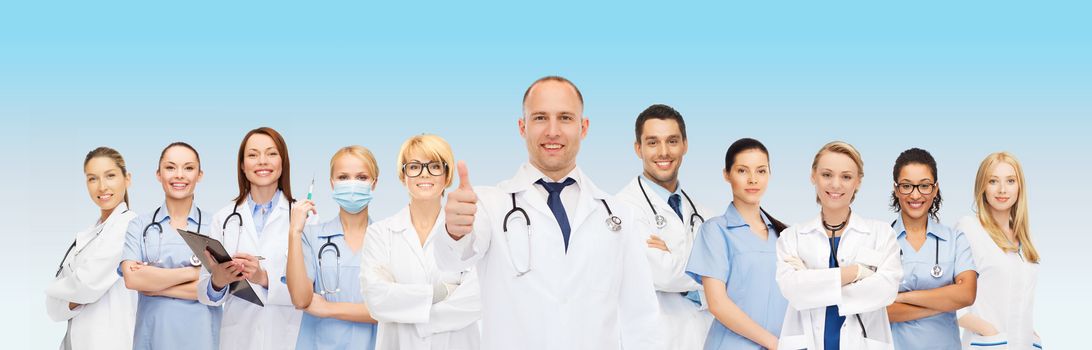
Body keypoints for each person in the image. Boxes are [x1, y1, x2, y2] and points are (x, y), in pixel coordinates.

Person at [436, 76, 661, 349]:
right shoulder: (488, 205)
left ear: (583, 127)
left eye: (565, 118)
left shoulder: (619, 215)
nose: (552, 131)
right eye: (540, 118)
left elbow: (641, 316)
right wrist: (454, 230)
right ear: (523, 127)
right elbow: (452, 260)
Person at [775, 141, 902, 350]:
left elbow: (885, 290)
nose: (835, 184)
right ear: (813, 176)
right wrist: (857, 272)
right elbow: (793, 290)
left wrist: (810, 282)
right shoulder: (791, 237)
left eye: (846, 176)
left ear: (858, 182)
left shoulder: (881, 234)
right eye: (827, 175)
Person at [361, 135, 481, 349]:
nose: (424, 173)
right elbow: (376, 299)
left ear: (447, 175)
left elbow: (477, 299)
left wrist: (409, 308)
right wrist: (442, 292)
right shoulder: (380, 233)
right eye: (415, 166)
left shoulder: (472, 232)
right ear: (403, 175)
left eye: (434, 166)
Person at [614, 104, 713, 350]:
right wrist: (712, 274)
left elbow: (731, 281)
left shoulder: (705, 215)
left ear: (685, 145)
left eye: (672, 141)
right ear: (638, 149)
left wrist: (675, 260)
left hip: (705, 339)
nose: (663, 152)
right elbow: (663, 273)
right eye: (652, 142)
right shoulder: (622, 209)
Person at [197, 127, 302, 349]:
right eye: (253, 155)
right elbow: (205, 294)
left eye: (271, 153)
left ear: (283, 162)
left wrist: (263, 278)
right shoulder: (223, 219)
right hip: (238, 338)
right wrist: (218, 281)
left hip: (286, 337)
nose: (262, 161)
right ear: (243, 166)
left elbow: (308, 291)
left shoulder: (303, 217)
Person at [686, 138, 790, 350]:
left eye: (761, 171)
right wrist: (773, 344)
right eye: (743, 171)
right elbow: (718, 304)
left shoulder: (785, 235)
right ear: (727, 174)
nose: (753, 179)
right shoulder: (715, 231)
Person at [120, 142, 221, 349]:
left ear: (199, 175)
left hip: (201, 339)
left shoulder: (216, 225)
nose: (179, 175)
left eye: (189, 168)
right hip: (153, 338)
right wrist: (195, 273)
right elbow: (132, 279)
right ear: (158, 174)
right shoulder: (139, 225)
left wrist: (154, 285)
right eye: (170, 167)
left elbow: (218, 290)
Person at [287, 145, 380, 349]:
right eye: (344, 177)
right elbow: (301, 300)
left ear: (374, 183)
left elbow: (389, 310)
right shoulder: (312, 236)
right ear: (332, 183)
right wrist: (294, 232)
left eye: (362, 177)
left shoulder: (386, 239)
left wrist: (328, 308)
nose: (352, 185)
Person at [46, 146, 139, 350]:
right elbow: (52, 310)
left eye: (110, 176)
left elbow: (86, 286)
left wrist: (53, 290)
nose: (102, 186)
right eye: (92, 178)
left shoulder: (128, 226)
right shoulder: (86, 235)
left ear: (127, 179)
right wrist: (69, 297)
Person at [885, 148, 976, 350]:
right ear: (896, 189)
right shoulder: (880, 240)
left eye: (924, 186)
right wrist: (945, 302)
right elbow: (878, 311)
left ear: (935, 189)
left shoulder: (954, 239)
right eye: (907, 186)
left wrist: (902, 298)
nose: (915, 194)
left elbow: (966, 295)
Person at [955, 152, 1042, 349]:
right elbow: (950, 299)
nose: (1002, 189)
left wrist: (1032, 335)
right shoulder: (969, 229)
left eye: (1010, 181)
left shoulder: (1026, 240)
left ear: (1020, 187)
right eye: (993, 181)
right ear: (982, 187)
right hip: (990, 343)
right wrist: (989, 331)